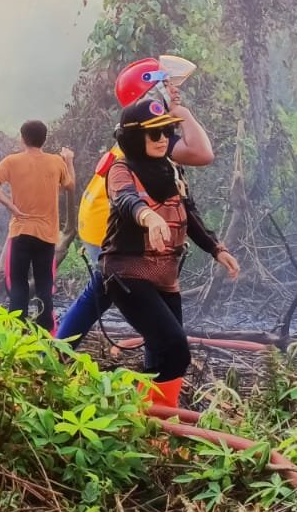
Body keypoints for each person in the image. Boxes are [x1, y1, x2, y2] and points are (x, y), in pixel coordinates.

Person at [55, 58, 215, 349]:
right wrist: (186, 115)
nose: (175, 91)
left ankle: (54, 353)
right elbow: (202, 154)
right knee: (120, 294)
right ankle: (53, 355)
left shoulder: (148, 129)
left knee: (104, 294)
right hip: (108, 223)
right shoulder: (149, 133)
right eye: (166, 85)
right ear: (151, 94)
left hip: (100, 219)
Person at [103, 99, 240, 407]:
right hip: (128, 272)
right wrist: (149, 217)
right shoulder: (120, 169)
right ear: (133, 137)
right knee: (177, 347)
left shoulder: (170, 169)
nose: (163, 138)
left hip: (165, 275)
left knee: (162, 350)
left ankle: (155, 422)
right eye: (155, 134)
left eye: (166, 130)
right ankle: (153, 417)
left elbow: (188, 214)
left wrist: (217, 249)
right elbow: (126, 201)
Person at [0, 120, 75, 331]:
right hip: (47, 236)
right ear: (44, 139)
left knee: (17, 284)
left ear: (22, 138)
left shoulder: (12, 161)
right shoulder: (55, 162)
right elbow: (70, 185)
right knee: (44, 286)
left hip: (20, 232)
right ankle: (46, 334)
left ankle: (16, 332)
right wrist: (68, 160)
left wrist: (10, 205)